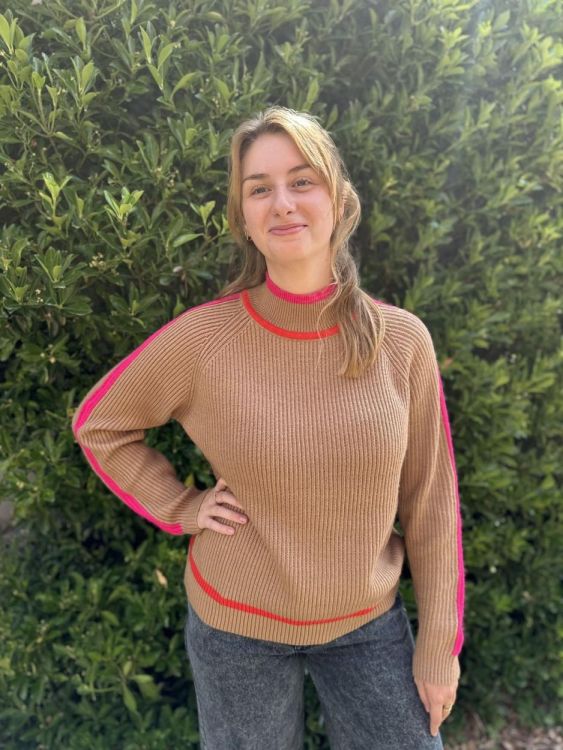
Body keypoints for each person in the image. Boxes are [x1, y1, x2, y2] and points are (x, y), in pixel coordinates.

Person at [71, 105, 465, 749]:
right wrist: (182, 506)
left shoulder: (401, 341)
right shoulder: (205, 339)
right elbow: (101, 424)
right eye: (260, 189)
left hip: (367, 622)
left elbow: (431, 499)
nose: (282, 203)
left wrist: (439, 645)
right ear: (244, 218)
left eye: (302, 180)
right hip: (237, 628)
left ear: (338, 198)